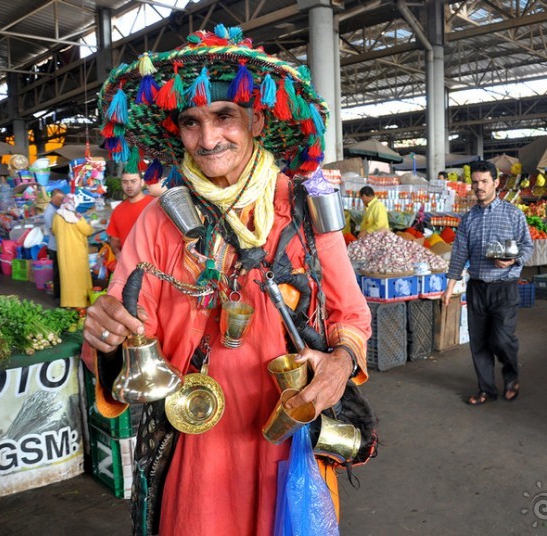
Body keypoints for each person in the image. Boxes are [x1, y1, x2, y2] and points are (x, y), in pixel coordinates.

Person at [82, 27, 372, 535]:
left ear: (257, 119)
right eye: (191, 122)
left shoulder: (302, 209)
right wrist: (107, 336)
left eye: (224, 116)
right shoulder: (158, 220)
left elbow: (351, 314)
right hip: (195, 439)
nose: (208, 138)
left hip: (287, 427)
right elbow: (123, 332)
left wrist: (339, 362)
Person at [444, 160, 533, 406]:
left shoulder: (513, 214)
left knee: (502, 339)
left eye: (484, 181)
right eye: (475, 182)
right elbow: (460, 253)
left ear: (496, 183)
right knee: (479, 342)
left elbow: (528, 245)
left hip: (504, 287)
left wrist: (513, 261)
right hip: (478, 288)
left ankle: (511, 376)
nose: (479, 187)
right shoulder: (469, 219)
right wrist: (450, 286)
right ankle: (486, 389)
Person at [52, 195, 94, 308]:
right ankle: (79, 303)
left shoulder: (57, 216)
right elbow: (88, 231)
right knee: (78, 277)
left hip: (64, 253)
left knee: (67, 278)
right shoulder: (77, 218)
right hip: (77, 252)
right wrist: (88, 224)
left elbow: (54, 230)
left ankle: (68, 303)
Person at [106, 171, 155, 258]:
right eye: (125, 182)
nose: (129, 185)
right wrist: (117, 252)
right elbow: (115, 240)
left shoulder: (155, 205)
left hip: (154, 265)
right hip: (128, 265)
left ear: (142, 182)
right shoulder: (118, 210)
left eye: (133, 181)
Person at [43, 189, 65, 300]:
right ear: (52, 198)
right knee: (57, 273)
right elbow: (53, 231)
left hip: (61, 245)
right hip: (55, 247)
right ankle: (57, 296)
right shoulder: (49, 212)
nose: (62, 201)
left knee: (62, 271)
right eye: (60, 199)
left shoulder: (58, 208)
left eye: (63, 199)